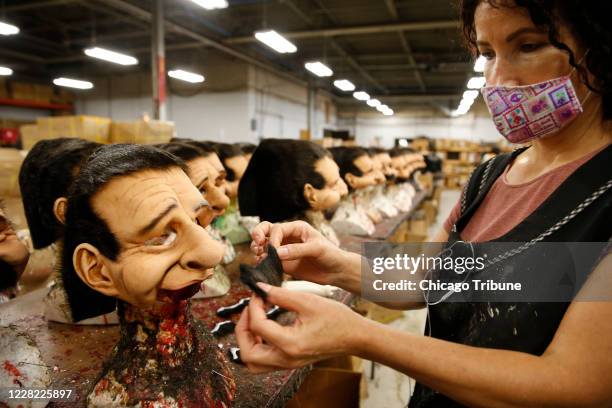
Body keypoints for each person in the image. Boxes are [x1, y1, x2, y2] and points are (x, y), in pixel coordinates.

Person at [235, 1, 612, 406]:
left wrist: (362, 336)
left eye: (530, 45)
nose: (498, 79)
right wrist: (336, 264)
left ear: (599, 51)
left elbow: (573, 383)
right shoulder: (489, 178)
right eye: (487, 53)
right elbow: (431, 279)